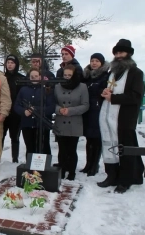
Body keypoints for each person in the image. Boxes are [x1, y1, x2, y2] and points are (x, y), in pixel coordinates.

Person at [98, 39, 144, 193]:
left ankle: (125, 180)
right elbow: (109, 91)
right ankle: (112, 175)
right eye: (116, 53)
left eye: (121, 52)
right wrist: (105, 93)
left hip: (124, 119)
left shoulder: (136, 73)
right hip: (108, 117)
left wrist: (114, 98)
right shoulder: (112, 73)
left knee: (125, 150)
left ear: (128, 54)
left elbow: (136, 96)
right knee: (109, 146)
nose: (118, 55)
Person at [54, 64, 89, 180]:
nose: (67, 77)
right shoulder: (57, 86)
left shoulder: (82, 87)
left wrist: (70, 111)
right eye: (65, 75)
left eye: (70, 75)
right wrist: (59, 110)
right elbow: (53, 103)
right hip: (60, 121)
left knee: (71, 149)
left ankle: (72, 172)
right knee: (62, 149)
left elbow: (85, 105)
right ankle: (62, 170)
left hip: (74, 121)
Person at [14, 68, 55, 158]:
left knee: (44, 147)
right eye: (32, 76)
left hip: (42, 124)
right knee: (30, 147)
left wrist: (36, 109)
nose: (34, 78)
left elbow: (51, 108)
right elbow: (17, 105)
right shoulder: (23, 90)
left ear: (40, 77)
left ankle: (45, 169)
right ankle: (30, 169)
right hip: (27, 124)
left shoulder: (46, 90)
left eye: (36, 76)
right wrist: (23, 111)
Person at [80, 53, 109, 176]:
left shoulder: (105, 76)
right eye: (92, 60)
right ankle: (88, 164)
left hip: (98, 110)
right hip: (87, 110)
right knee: (88, 138)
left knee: (96, 139)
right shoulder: (86, 76)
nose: (94, 63)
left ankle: (94, 165)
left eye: (97, 61)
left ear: (101, 63)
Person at [2, 54, 25, 163]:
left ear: (16, 64)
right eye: (8, 63)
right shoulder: (2, 77)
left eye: (12, 63)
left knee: (14, 136)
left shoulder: (21, 78)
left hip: (16, 113)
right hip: (3, 111)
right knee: (0, 135)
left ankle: (15, 158)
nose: (10, 65)